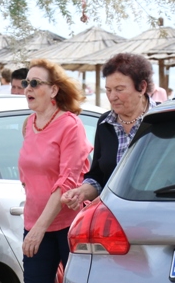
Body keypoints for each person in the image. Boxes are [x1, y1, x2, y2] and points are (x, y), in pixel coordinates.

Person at [0, 59, 91, 283]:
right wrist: (32, 222)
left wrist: (40, 228)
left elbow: (67, 182)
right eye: (26, 83)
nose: (28, 89)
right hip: (35, 224)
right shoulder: (28, 125)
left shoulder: (70, 126)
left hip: (67, 228)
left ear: (54, 90)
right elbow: (30, 176)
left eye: (36, 83)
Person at [61, 52, 156, 210]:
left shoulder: (162, 120)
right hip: (114, 216)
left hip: (153, 214)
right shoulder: (105, 124)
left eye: (119, 89)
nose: (112, 97)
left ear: (142, 87)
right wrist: (81, 193)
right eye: (108, 90)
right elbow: (98, 176)